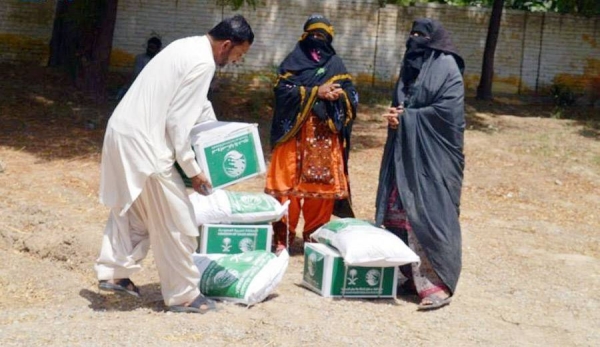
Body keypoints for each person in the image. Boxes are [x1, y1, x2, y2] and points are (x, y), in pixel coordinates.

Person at [95, 15, 254, 314]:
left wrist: (218, 133)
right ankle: (183, 295)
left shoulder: (186, 47)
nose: (236, 61)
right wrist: (194, 171)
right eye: (238, 54)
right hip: (146, 145)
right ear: (227, 45)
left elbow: (197, 105)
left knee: (135, 211)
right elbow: (178, 123)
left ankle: (114, 272)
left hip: (122, 133)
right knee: (177, 221)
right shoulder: (204, 62)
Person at [374, 18, 465, 311]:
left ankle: (436, 285)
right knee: (398, 212)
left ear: (435, 41)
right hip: (403, 154)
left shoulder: (447, 67)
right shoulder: (409, 68)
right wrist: (394, 118)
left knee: (428, 213)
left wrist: (409, 118)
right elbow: (403, 103)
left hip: (434, 158)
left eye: (421, 36)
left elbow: (448, 114)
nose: (414, 40)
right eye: (411, 34)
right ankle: (406, 277)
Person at [265, 15, 358, 253]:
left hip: (323, 139)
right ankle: (281, 237)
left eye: (323, 37)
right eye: (313, 35)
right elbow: (282, 91)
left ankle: (314, 237)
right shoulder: (292, 62)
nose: (317, 40)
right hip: (293, 134)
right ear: (304, 36)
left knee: (321, 193)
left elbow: (352, 97)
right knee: (286, 189)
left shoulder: (336, 65)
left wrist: (337, 97)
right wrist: (317, 91)